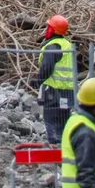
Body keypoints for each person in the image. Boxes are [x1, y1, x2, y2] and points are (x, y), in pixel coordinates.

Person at [37, 16, 76, 146]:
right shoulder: (68, 45)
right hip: (68, 92)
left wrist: (37, 81)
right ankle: (64, 149)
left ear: (52, 29)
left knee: (51, 122)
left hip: (53, 91)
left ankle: (54, 151)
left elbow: (47, 67)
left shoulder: (53, 46)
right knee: (63, 122)